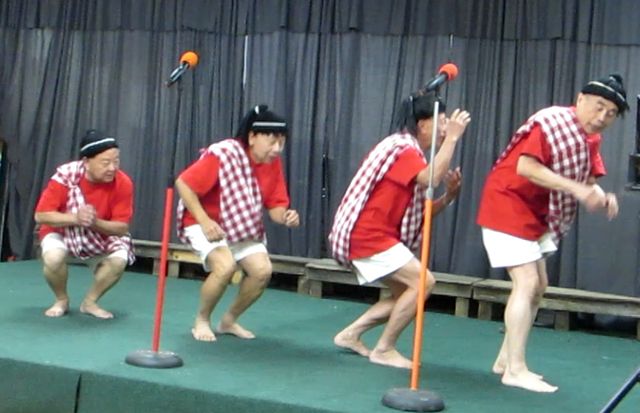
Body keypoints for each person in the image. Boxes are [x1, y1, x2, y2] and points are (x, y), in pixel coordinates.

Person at [477, 74, 628, 393]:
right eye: (599, 106)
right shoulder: (551, 122)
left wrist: (602, 197)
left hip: (538, 211)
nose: (602, 117)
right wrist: (575, 188)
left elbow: (588, 182)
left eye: (611, 113)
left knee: (539, 285)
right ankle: (515, 370)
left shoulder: (591, 139)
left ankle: (505, 360)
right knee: (527, 282)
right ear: (580, 99)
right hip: (507, 200)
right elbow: (526, 167)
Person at [328, 91, 471, 369]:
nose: (445, 128)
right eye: (441, 121)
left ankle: (350, 334)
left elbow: (420, 213)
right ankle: (384, 349)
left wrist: (449, 197)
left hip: (374, 236)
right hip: (366, 235)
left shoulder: (411, 152)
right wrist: (453, 139)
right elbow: (431, 178)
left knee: (407, 292)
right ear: (423, 124)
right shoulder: (402, 148)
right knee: (423, 282)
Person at [176, 104, 300, 342]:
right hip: (203, 221)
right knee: (225, 267)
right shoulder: (224, 154)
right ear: (252, 137)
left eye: (282, 143)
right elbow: (184, 183)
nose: (277, 149)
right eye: (272, 142)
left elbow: (276, 207)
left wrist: (287, 217)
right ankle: (202, 320)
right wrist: (205, 222)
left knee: (262, 271)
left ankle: (228, 321)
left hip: (241, 226)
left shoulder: (272, 163)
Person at [34, 129, 135, 319]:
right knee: (53, 258)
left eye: (116, 161)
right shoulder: (65, 176)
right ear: (86, 162)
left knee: (119, 260)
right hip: (61, 231)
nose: (112, 168)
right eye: (105, 162)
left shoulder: (123, 183)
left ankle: (90, 302)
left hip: (101, 233)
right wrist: (75, 218)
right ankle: (61, 299)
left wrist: (93, 222)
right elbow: (41, 216)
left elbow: (122, 228)